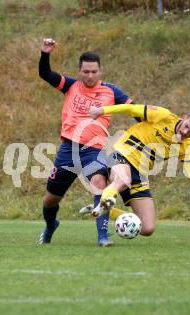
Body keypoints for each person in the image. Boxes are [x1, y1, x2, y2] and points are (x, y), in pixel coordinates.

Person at [80, 103, 190, 235]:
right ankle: (105, 201)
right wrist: (102, 110)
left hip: (140, 174)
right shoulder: (163, 115)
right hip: (122, 154)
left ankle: (104, 209)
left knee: (147, 228)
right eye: (186, 126)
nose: (185, 132)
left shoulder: (188, 146)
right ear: (184, 117)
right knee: (123, 180)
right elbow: (131, 109)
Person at [38, 38, 134, 246]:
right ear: (80, 71)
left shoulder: (111, 91)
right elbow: (45, 74)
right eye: (86, 72)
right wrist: (45, 53)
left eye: (94, 71)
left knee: (99, 183)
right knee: (50, 200)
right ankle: (50, 225)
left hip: (95, 150)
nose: (90, 76)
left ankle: (103, 237)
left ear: (101, 71)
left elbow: (133, 109)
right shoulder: (71, 86)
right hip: (68, 149)